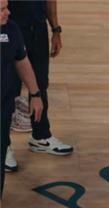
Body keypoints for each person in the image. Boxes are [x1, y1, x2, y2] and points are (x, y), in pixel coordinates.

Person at [8, 0, 72, 155]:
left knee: (40, 83)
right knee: (8, 89)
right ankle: (4, 145)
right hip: (10, 30)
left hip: (38, 28)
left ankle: (41, 136)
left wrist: (56, 30)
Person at [1, 0, 43, 200]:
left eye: (6, 7)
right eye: (1, 9)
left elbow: (22, 60)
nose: (8, 12)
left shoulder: (11, 29)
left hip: (3, 107)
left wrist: (35, 94)